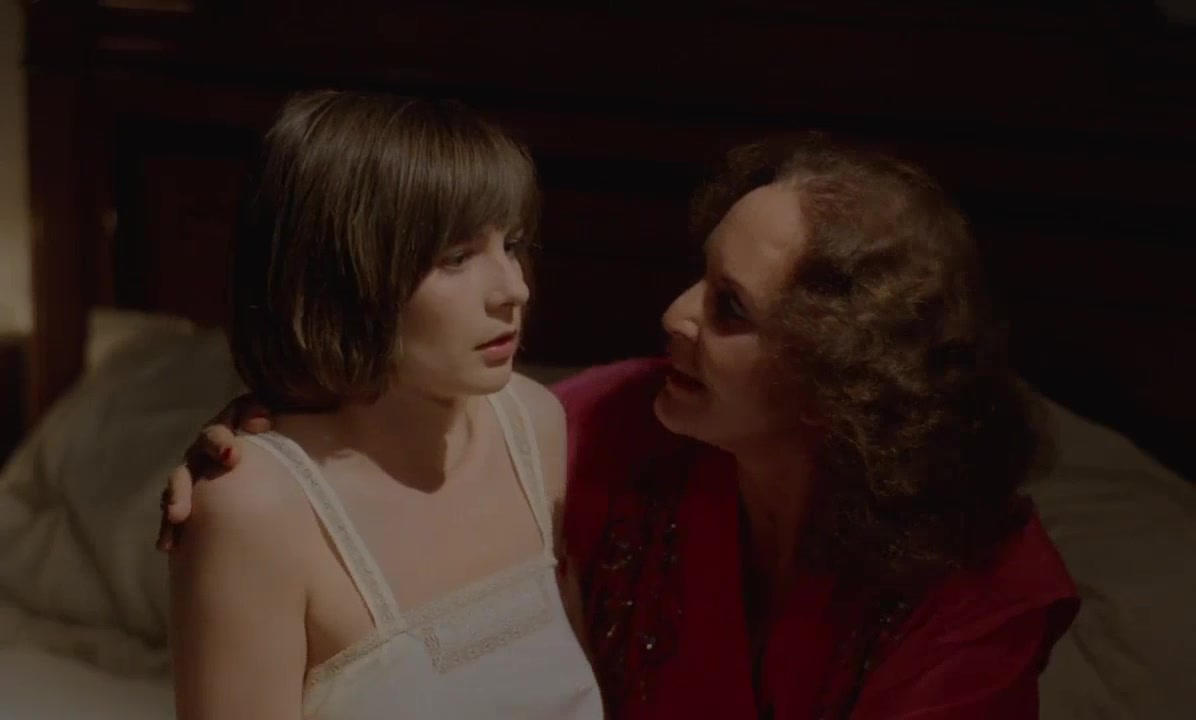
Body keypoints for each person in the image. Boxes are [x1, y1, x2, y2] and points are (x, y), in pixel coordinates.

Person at [161, 131, 1079, 719]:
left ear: (844, 374)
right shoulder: (613, 429)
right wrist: (267, 433)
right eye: (698, 275)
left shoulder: (978, 590)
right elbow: (402, 435)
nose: (674, 315)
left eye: (729, 308)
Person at [164, 90, 603, 720]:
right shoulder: (254, 508)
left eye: (511, 244)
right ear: (340, 278)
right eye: (456, 258)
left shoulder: (535, 426)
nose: (514, 289)